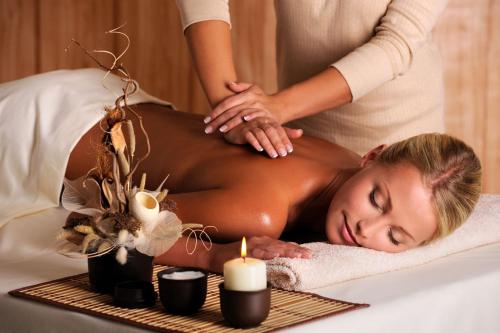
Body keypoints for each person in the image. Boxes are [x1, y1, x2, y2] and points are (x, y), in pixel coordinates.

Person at [67, 102, 481, 273]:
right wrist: (214, 255)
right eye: (376, 199)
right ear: (372, 156)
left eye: (395, 235)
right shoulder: (262, 210)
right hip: (59, 135)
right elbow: (107, 225)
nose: (367, 230)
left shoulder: (342, 162)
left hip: (119, 104)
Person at [175, 0, 448, 158]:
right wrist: (232, 111)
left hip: (401, 147)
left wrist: (279, 107)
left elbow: (396, 44)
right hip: (302, 141)